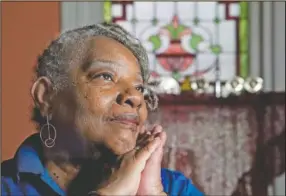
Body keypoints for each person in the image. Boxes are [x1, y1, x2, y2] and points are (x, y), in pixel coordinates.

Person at [1, 22, 203, 196]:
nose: (134, 97)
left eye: (140, 87)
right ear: (46, 96)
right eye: (105, 76)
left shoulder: (173, 188)